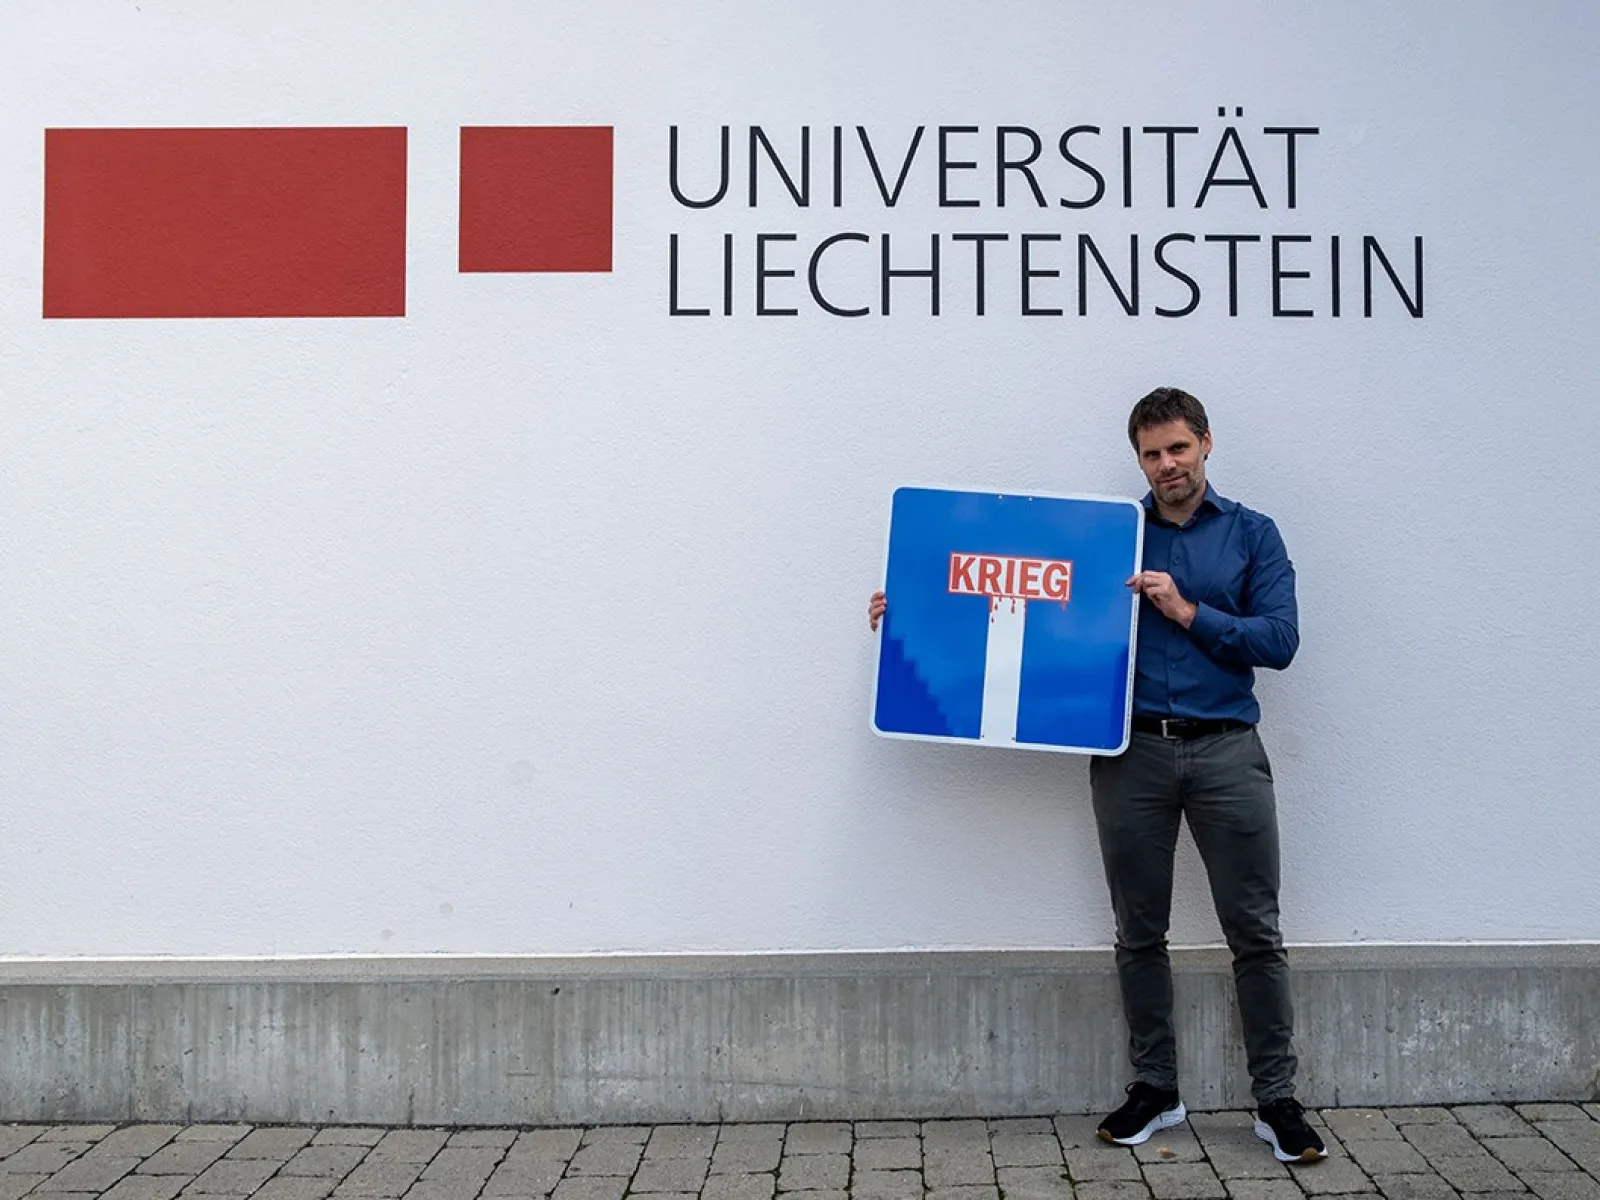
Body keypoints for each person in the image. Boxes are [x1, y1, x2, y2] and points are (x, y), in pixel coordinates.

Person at [865, 387, 1325, 1164]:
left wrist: (1186, 611)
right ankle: (1157, 1089)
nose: (1166, 465)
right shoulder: (1108, 540)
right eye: (1151, 453)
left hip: (1226, 751)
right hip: (1131, 754)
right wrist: (915, 609)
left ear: (1207, 443)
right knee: (1138, 932)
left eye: (1178, 448)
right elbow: (1013, 600)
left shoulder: (1253, 535)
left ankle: (1275, 1101)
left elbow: (1279, 641)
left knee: (1256, 932)